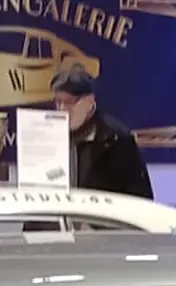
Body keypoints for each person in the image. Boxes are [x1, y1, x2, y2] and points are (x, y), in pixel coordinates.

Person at [50, 66, 153, 200]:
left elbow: (140, 197)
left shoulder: (116, 139)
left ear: (89, 101)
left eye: (69, 102)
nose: (62, 109)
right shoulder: (49, 134)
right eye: (58, 102)